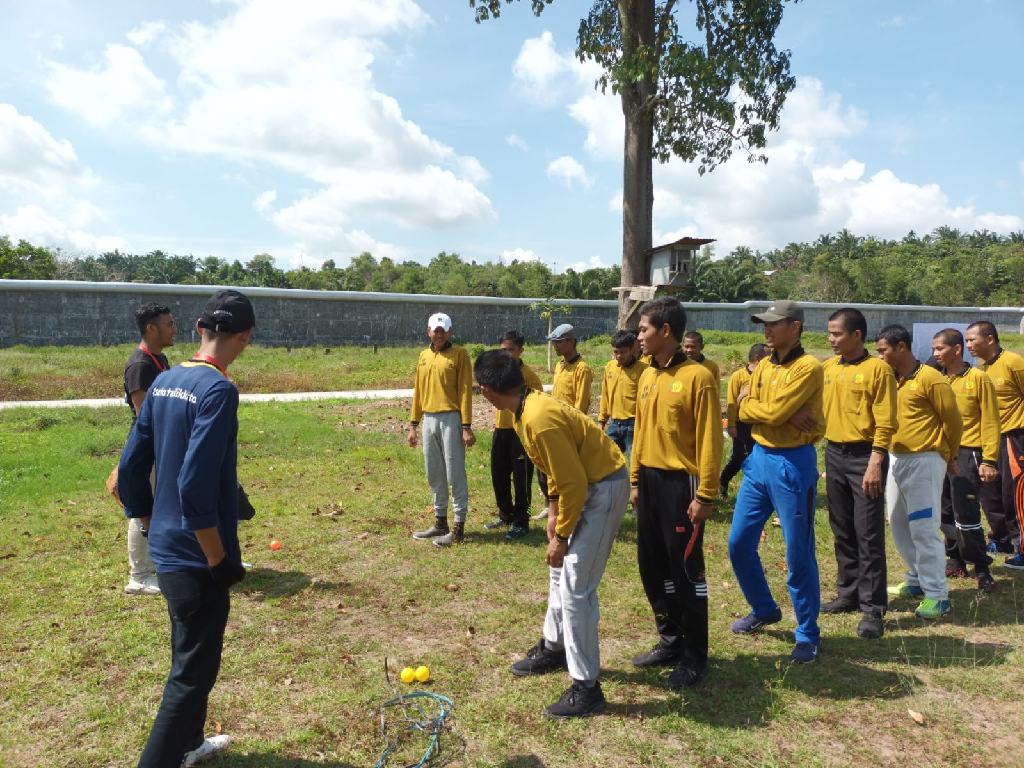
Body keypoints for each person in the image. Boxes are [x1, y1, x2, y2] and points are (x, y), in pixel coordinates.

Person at [118, 289, 255, 768]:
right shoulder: (218, 389)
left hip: (169, 547)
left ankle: (190, 744)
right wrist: (218, 560)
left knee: (190, 654)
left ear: (199, 329)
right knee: (191, 674)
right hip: (197, 556)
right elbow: (196, 485)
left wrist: (149, 520)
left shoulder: (166, 379)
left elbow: (131, 466)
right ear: (245, 337)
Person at [474, 349, 629, 719]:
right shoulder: (527, 407)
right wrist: (555, 509)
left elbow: (574, 479)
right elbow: (559, 472)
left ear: (487, 390)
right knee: (558, 573)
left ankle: (587, 686)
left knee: (576, 585)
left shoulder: (538, 417)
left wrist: (562, 535)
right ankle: (554, 646)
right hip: (583, 488)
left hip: (602, 488)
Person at [629, 298, 722, 688]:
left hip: (679, 485)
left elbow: (710, 441)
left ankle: (694, 654)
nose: (639, 337)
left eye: (644, 329)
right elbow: (639, 430)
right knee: (652, 568)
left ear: (665, 330)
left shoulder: (698, 377)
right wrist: (634, 480)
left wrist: (705, 495)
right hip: (649, 482)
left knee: (685, 572)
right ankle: (670, 639)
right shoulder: (647, 376)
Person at [728, 300, 824, 663]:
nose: (766, 330)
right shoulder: (765, 365)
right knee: (738, 543)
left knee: (798, 552)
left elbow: (767, 410)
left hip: (792, 463)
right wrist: (766, 411)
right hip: (760, 460)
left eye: (773, 324)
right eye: (764, 325)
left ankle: (808, 633)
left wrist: (764, 410)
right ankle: (764, 608)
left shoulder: (808, 368)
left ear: (795, 326)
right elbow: (745, 409)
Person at [819, 308, 897, 639]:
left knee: (868, 533)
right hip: (834, 453)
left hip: (866, 455)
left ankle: (873, 608)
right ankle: (848, 592)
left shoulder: (878, 370)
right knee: (842, 528)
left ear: (856, 335)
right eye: (830, 333)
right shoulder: (828, 368)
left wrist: (876, 461)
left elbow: (887, 419)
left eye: (837, 334)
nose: (831, 339)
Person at [877, 324, 962, 620]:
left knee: (924, 527)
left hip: (925, 460)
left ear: (901, 347)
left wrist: (949, 455)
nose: (880, 356)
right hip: (895, 458)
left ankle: (938, 595)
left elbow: (952, 420)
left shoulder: (931, 379)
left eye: (883, 350)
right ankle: (915, 579)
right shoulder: (889, 378)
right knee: (897, 522)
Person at [932, 328, 998, 592]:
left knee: (966, 511)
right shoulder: (936, 380)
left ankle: (981, 568)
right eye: (934, 349)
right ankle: (955, 557)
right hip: (938, 454)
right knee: (943, 512)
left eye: (940, 349)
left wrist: (990, 459)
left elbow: (991, 420)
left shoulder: (978, 379)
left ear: (956, 349)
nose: (935, 353)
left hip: (968, 453)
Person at [121, 302, 176, 596]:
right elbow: (146, 417)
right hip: (148, 447)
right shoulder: (140, 366)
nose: (174, 328)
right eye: (168, 323)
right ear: (151, 328)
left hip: (162, 444)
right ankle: (139, 576)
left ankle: (160, 565)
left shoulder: (160, 359)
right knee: (143, 509)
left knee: (159, 507)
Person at [408, 312, 475, 547]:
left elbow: (466, 390)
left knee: (454, 472)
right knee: (433, 472)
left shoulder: (459, 355)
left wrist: (466, 425)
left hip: (451, 418)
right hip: (429, 419)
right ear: (428, 331)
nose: (438, 334)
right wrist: (413, 424)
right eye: (435, 331)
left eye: (443, 331)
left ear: (450, 332)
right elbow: (419, 391)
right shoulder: (424, 356)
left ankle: (458, 527)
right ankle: (440, 522)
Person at [965, 320, 1024, 569]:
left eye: (972, 340)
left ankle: (1022, 546)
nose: (968, 345)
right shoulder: (982, 369)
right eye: (966, 341)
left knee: (1015, 494)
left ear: (990, 339)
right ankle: (1001, 539)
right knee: (990, 492)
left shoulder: (1013, 362)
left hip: (1014, 436)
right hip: (988, 440)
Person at [484, 330, 543, 540]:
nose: (506, 355)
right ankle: (505, 514)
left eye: (510, 350)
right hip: (502, 429)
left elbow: (538, 405)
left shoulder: (528, 376)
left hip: (521, 433)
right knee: (499, 474)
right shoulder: (499, 372)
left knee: (521, 479)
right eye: (503, 350)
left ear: (520, 351)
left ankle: (521, 520)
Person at [536, 324, 594, 514]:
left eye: (559, 342)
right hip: (555, 422)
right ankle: (550, 503)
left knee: (568, 469)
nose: (556, 346)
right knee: (547, 466)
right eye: (555, 343)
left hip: (569, 426)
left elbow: (581, 403)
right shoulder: (560, 366)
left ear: (571, 342)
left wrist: (573, 429)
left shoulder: (582, 369)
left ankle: (573, 505)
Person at [720, 343, 768, 497]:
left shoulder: (767, 375)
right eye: (768, 356)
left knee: (757, 457)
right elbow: (731, 403)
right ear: (758, 358)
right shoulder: (738, 376)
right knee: (738, 458)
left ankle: (755, 491)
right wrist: (731, 425)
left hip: (759, 424)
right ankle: (723, 482)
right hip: (740, 425)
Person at [597, 330, 648, 460]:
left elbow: (647, 401)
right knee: (608, 462)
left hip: (633, 425)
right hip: (614, 424)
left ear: (632, 349)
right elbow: (606, 394)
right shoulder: (610, 367)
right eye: (615, 352)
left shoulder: (644, 370)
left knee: (635, 462)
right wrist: (602, 421)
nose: (619, 356)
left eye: (623, 352)